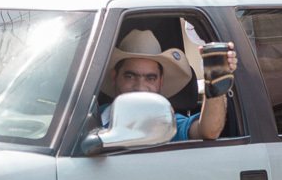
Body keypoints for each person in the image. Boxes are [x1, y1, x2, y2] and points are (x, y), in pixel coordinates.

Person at [100, 29, 236, 142]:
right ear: (114, 77)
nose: (140, 87)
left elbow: (209, 131)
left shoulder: (168, 122)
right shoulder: (94, 117)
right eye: (130, 77)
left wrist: (216, 75)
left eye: (150, 78)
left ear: (161, 82)